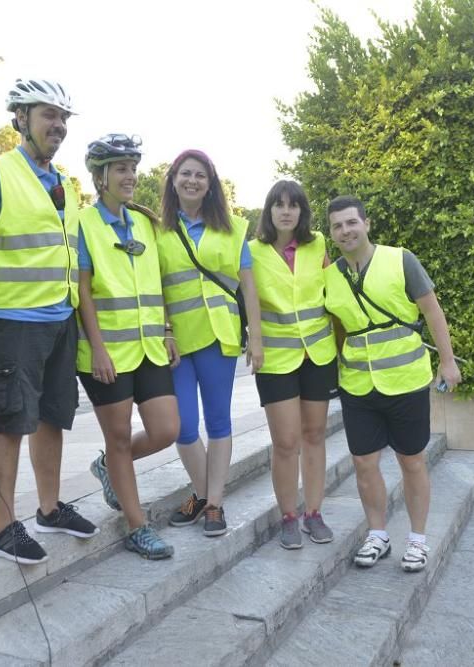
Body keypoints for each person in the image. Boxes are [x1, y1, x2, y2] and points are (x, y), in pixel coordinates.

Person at [0, 77, 97, 567]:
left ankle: (50, 508)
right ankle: (0, 527)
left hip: (59, 317)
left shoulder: (64, 184)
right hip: (12, 321)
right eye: (47, 115)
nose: (57, 124)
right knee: (9, 423)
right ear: (21, 119)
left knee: (53, 418)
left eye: (63, 117)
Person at [323, 195, 461, 572]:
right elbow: (332, 326)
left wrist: (447, 361)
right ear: (331, 233)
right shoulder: (330, 276)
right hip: (357, 384)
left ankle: (417, 540)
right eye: (337, 225)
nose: (345, 230)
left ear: (365, 223)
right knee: (364, 463)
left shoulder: (401, 259)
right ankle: (377, 534)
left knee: (411, 461)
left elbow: (432, 309)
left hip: (406, 379)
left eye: (351, 222)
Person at [77, 134, 180, 559]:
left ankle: (106, 469)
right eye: (121, 169)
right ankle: (138, 527)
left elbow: (160, 283)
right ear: (101, 177)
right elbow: (82, 291)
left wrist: (169, 330)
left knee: (166, 430)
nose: (131, 177)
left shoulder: (145, 223)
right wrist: (97, 348)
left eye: (133, 169)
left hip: (150, 347)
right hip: (106, 354)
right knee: (118, 437)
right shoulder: (83, 224)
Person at [156, 149, 263, 537]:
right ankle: (203, 494)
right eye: (185, 174)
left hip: (220, 337)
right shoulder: (158, 231)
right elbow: (157, 289)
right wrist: (165, 331)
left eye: (200, 175)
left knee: (218, 421)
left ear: (211, 184)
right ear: (173, 180)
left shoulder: (233, 228)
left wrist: (257, 337)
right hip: (179, 343)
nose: (192, 181)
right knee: (183, 426)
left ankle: (212, 504)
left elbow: (248, 288)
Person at [248, 181, 338, 550]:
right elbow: (245, 299)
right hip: (275, 359)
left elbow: (334, 294)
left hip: (318, 354)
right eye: (279, 205)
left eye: (294, 205)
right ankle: (288, 515)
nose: (286, 211)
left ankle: (313, 513)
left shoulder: (318, 244)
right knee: (285, 442)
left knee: (315, 436)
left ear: (303, 211)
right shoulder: (251, 251)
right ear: (268, 210)